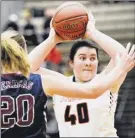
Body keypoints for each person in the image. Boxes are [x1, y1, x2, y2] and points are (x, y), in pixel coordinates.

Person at [2, 32, 134, 138]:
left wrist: (92, 32)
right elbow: (29, 69)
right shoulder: (60, 83)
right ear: (71, 63)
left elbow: (122, 55)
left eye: (93, 58)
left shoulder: (106, 80)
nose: (88, 62)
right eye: (82, 58)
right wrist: (52, 39)